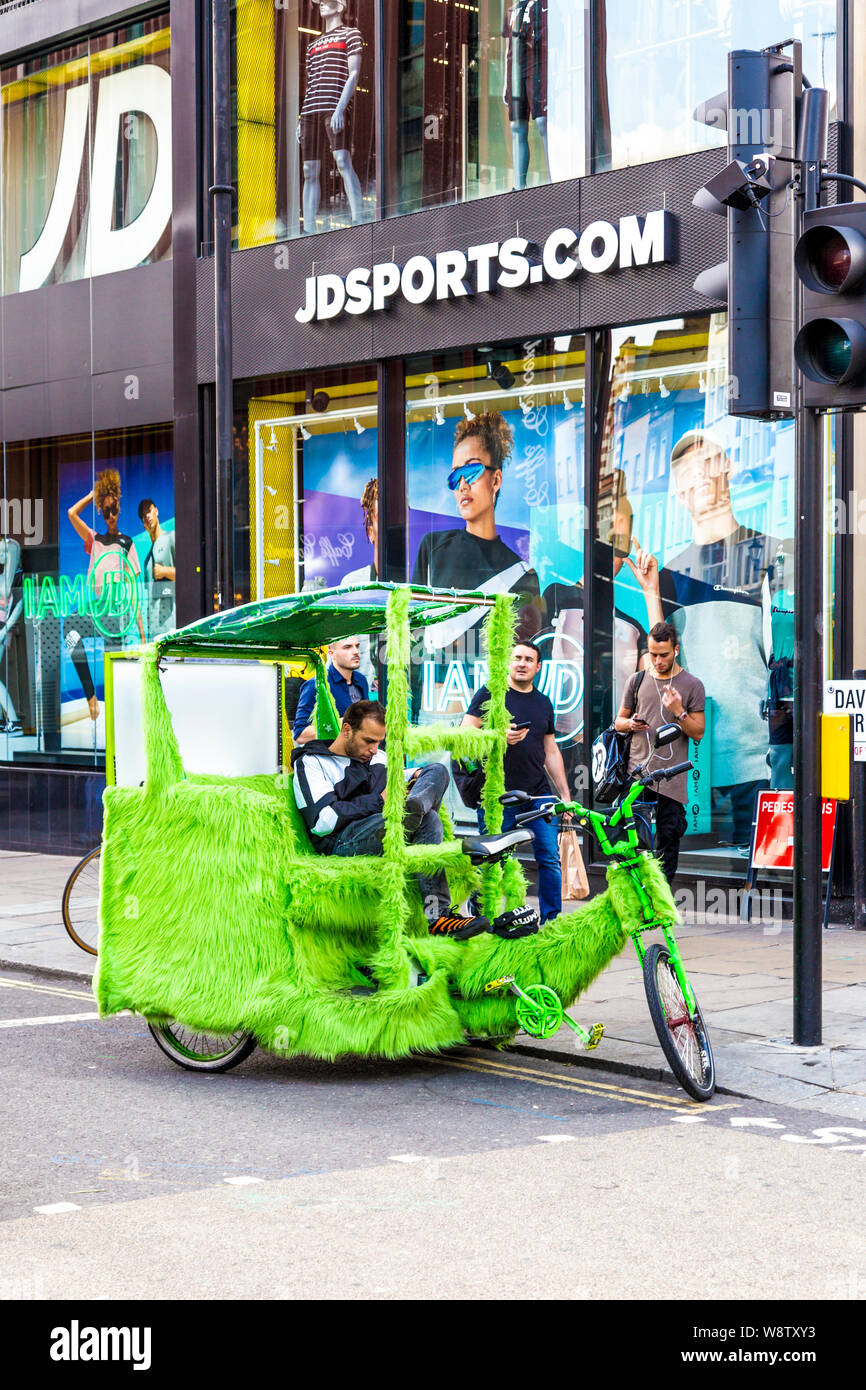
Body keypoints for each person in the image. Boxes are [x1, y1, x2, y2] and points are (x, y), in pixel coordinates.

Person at [656, 429, 785, 845]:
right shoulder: (670, 576)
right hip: (698, 766)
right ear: (678, 492)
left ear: (728, 467)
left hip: (758, 764)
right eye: (688, 474)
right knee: (697, 878)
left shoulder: (769, 555)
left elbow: (788, 660)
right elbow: (663, 671)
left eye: (708, 465)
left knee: (767, 882)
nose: (700, 479)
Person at [292, 700, 490, 939]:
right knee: (429, 821)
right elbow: (322, 823)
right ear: (347, 730)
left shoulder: (378, 758)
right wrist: (380, 801)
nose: (375, 749)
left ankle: (411, 815)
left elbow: (413, 777)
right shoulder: (312, 762)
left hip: (385, 824)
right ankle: (438, 916)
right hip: (343, 841)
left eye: (379, 742)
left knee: (436, 771)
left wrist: (417, 779)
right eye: (369, 741)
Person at [461, 640, 572, 923]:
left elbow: (551, 751)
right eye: (517, 658)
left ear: (537, 667)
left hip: (538, 797)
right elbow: (463, 736)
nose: (522, 663)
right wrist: (499, 736)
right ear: (509, 663)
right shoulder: (490, 694)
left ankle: (551, 922)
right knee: (492, 861)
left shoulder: (543, 703)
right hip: (498, 797)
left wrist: (565, 796)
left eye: (528, 659)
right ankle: (481, 915)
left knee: (549, 859)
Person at [615, 621, 705, 887]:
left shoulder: (692, 685)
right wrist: (631, 724)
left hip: (671, 778)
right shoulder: (638, 679)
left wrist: (679, 711)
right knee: (631, 841)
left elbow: (698, 732)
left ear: (676, 650)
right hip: (637, 774)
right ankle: (633, 896)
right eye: (652, 654)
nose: (657, 660)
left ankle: (661, 899)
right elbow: (618, 721)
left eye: (663, 654)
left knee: (668, 837)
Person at [67, 469, 145, 722]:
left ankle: (119, 719)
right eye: (106, 511)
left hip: (116, 615)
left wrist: (143, 635)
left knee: (115, 672)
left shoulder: (127, 543)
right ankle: (90, 696)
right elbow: (71, 513)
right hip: (97, 610)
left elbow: (134, 591)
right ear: (101, 512)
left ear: (119, 510)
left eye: (114, 510)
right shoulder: (95, 540)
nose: (110, 516)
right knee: (70, 630)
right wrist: (94, 494)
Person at [292, 636, 369, 745]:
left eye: (357, 646)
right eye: (347, 647)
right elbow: (300, 735)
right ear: (331, 653)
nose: (356, 652)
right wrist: (343, 722)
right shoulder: (316, 684)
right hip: (330, 758)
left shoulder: (361, 680)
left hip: (359, 755)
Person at [137, 498, 176, 639]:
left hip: (172, 627)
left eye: (149, 511)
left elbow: (189, 575)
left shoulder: (171, 537)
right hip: (154, 632)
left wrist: (165, 571)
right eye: (143, 515)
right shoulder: (147, 559)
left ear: (156, 511)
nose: (147, 516)